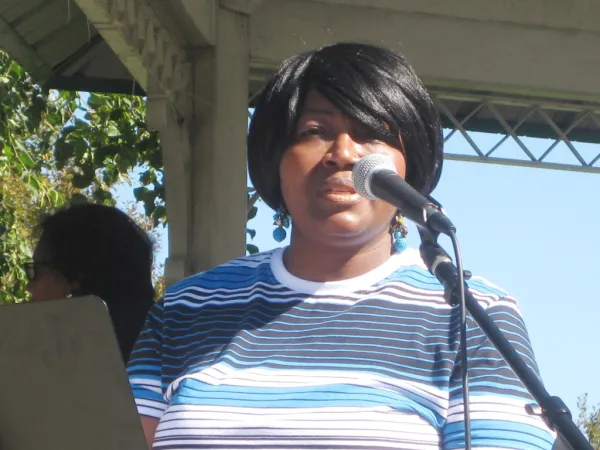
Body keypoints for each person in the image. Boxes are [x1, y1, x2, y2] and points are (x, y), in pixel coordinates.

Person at [127, 42, 557, 449]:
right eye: (315, 130)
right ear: (275, 158)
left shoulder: (472, 314)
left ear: (410, 166)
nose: (344, 153)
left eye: (372, 133)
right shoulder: (187, 307)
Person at [25, 203, 156, 362]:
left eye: (35, 270)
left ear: (74, 278)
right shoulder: (164, 345)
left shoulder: (59, 362)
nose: (29, 287)